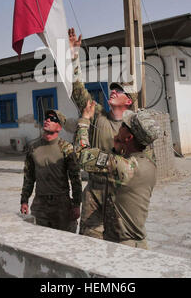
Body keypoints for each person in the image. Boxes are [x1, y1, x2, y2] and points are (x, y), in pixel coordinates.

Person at [69, 27, 138, 239]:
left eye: (119, 91)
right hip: (95, 190)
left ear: (128, 101)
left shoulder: (136, 127)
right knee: (91, 238)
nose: (113, 91)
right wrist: (74, 57)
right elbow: (77, 91)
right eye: (113, 89)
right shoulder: (98, 114)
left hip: (121, 192)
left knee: (120, 241)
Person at [75, 100, 160, 249]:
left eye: (123, 126)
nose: (119, 127)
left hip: (122, 247)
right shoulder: (149, 161)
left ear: (129, 137)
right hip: (138, 244)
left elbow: (82, 155)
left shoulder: (122, 166)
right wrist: (119, 146)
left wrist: (84, 121)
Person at [20, 109, 82, 233]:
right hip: (40, 204)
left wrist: (76, 204)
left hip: (61, 204)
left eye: (53, 119)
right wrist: (24, 200)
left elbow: (76, 178)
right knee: (41, 240)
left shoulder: (66, 148)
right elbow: (29, 177)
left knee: (65, 241)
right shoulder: (33, 148)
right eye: (47, 117)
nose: (48, 120)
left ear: (59, 127)